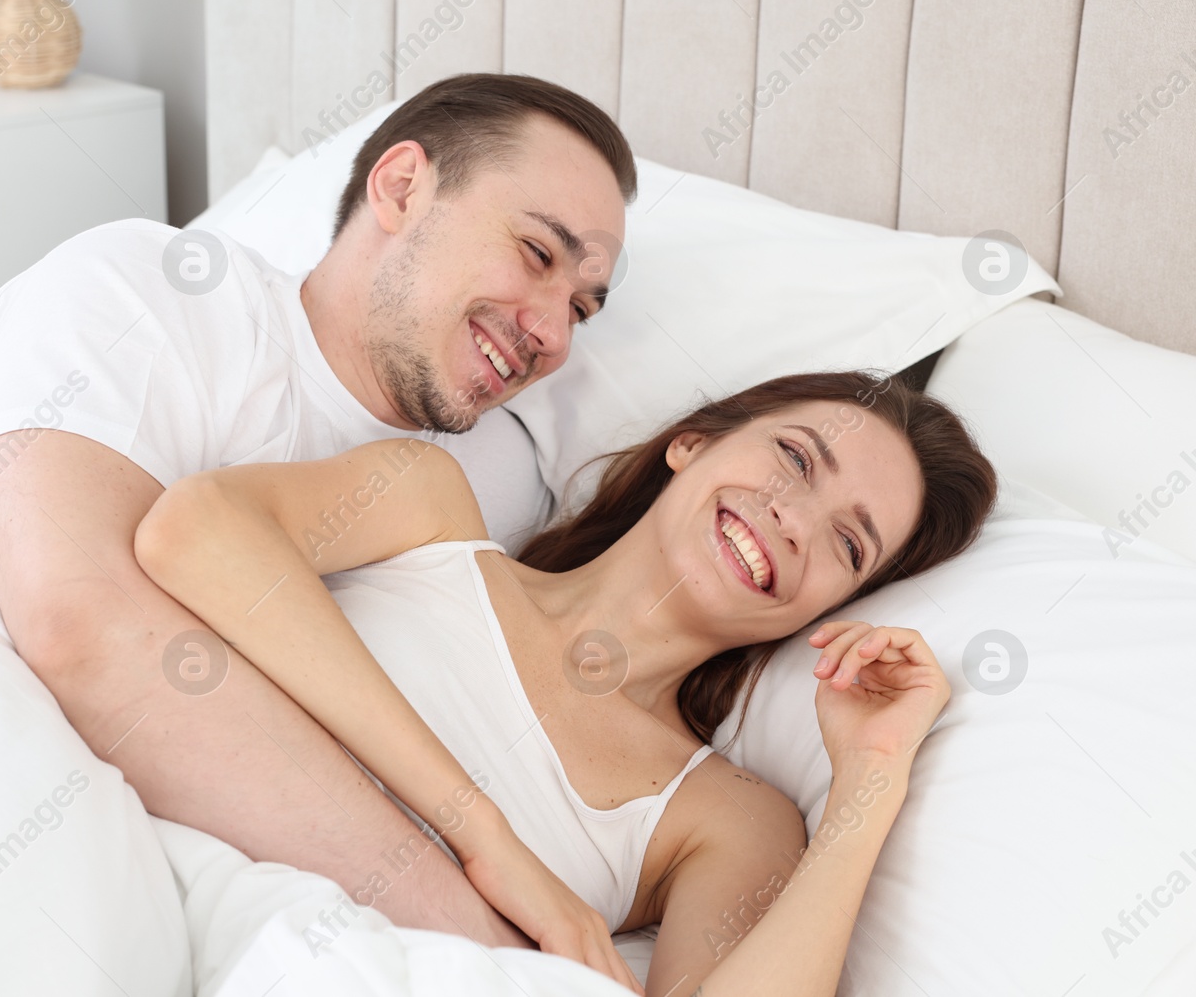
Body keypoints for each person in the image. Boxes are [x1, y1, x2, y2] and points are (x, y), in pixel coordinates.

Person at [0, 74, 635, 953]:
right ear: (400, 188)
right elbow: (79, 627)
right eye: (538, 254)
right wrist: (495, 950)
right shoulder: (160, 293)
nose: (553, 332)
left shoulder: (498, 483)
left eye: (583, 307)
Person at [134, 371, 999, 995]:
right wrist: (490, 841)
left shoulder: (725, 818)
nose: (794, 516)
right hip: (144, 870)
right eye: (795, 460)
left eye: (850, 545)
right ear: (690, 443)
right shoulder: (425, 512)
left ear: (834, 608)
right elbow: (193, 529)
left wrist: (872, 780)